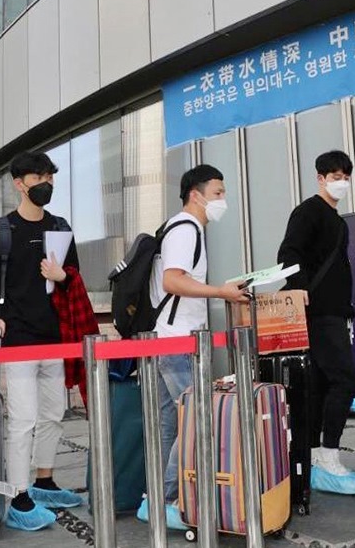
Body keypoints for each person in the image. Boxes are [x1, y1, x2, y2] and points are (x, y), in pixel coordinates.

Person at [135, 164, 249, 529]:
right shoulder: (186, 229)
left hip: (168, 339)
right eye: (218, 193)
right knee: (196, 417)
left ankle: (156, 501)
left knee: (171, 424)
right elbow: (172, 281)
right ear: (196, 195)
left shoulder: (183, 228)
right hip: (176, 341)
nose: (223, 200)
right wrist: (221, 292)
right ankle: (166, 499)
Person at [0, 151, 82, 531]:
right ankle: (19, 497)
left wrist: (62, 276)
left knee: (53, 415)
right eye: (38, 178)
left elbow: (74, 275)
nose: (46, 184)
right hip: (18, 336)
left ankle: (44, 482)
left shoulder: (61, 227)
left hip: (56, 336)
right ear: (19, 184)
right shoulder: (1, 231)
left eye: (49, 177)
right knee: (23, 420)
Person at [277, 150, 355, 495]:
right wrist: (298, 287)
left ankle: (314, 456)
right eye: (335, 176)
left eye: (345, 177)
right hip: (318, 312)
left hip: (334, 312)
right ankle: (328, 457)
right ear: (320, 178)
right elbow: (288, 252)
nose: (341, 182)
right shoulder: (309, 211)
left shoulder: (338, 222)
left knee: (321, 384)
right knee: (346, 380)